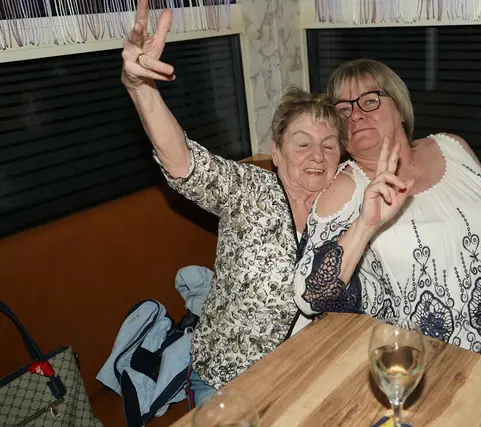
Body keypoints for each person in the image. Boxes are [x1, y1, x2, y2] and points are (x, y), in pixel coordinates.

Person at [120, 0, 345, 405]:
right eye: (303, 143)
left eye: (329, 145)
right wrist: (141, 89)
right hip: (227, 380)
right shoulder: (250, 190)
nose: (317, 155)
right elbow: (185, 164)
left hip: (304, 375)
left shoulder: (342, 206)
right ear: (276, 151)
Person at [293, 59, 481, 377]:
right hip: (429, 371)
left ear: (400, 108)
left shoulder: (454, 148)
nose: (356, 115)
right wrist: (365, 224)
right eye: (344, 109)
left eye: (370, 100)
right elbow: (310, 296)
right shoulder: (346, 188)